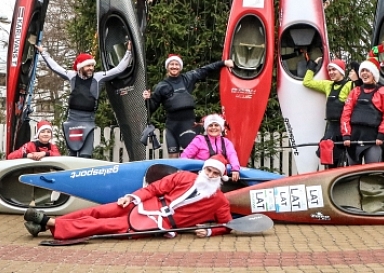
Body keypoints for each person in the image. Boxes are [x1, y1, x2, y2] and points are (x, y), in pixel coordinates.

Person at [23, 155, 233, 239]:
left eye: (215, 173)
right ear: (204, 169)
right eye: (209, 171)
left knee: (105, 225)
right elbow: (154, 189)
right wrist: (131, 197)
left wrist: (209, 231)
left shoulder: (219, 200)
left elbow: (227, 224)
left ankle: (48, 221)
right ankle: (44, 226)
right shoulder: (185, 177)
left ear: (220, 176)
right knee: (98, 211)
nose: (211, 175)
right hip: (144, 203)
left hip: (157, 223)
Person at [37, 41, 132, 158]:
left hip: (88, 121)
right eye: (88, 66)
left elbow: (118, 69)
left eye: (92, 66)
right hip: (72, 121)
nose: (91, 68)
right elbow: (55, 67)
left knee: (85, 155)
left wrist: (129, 52)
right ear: (80, 67)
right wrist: (43, 53)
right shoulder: (72, 75)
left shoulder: (98, 78)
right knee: (71, 154)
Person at [143, 54, 234, 158]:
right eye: (171, 64)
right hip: (171, 127)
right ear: (167, 67)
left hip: (188, 124)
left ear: (180, 67)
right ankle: (176, 175)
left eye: (177, 64)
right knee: (173, 157)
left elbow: (205, 69)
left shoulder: (188, 78)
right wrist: (147, 100)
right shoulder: (161, 86)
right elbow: (152, 107)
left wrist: (223, 63)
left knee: (191, 155)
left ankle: (193, 174)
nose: (174, 66)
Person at [340, 56, 384, 165]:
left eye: (367, 71)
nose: (364, 74)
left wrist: (381, 134)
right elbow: (346, 114)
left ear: (374, 73)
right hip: (354, 139)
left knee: (372, 172)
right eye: (362, 71)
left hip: (373, 139)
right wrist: (346, 135)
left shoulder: (383, 91)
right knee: (353, 173)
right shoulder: (355, 91)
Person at [303, 57, 354, 167]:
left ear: (341, 71)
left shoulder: (350, 85)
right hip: (331, 126)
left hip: (344, 127)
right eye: (329, 70)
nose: (331, 72)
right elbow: (307, 82)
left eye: (333, 70)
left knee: (342, 156)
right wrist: (312, 65)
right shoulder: (327, 85)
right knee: (326, 152)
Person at [180, 114, 241, 181]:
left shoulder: (226, 142)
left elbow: (232, 155)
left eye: (216, 125)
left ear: (221, 128)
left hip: (218, 177)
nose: (213, 128)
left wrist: (235, 169)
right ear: (206, 128)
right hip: (200, 176)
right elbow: (185, 156)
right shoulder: (199, 140)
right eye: (210, 125)